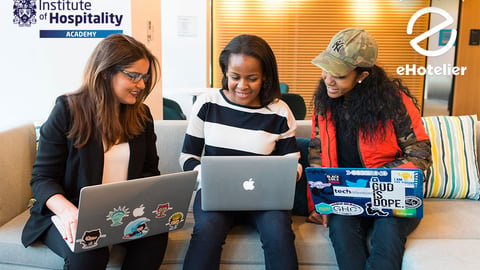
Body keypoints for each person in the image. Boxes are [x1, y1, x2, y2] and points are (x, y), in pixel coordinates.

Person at [21, 34, 168, 270]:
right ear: (105, 72)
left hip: (122, 213)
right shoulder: (67, 110)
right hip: (69, 213)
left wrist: (152, 207)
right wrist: (69, 212)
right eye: (133, 76)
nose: (141, 85)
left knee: (155, 238)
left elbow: (149, 172)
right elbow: (42, 179)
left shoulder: (142, 116)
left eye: (145, 77)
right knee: (91, 249)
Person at [306, 28, 432, 270]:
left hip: (393, 194)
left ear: (362, 75)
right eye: (326, 69)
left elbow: (420, 153)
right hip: (344, 197)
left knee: (387, 235)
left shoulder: (394, 103)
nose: (328, 80)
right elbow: (317, 152)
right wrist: (319, 203)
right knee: (341, 232)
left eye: (339, 75)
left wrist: (375, 180)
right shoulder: (324, 103)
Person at [179, 34, 301, 270]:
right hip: (216, 196)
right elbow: (187, 157)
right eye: (235, 77)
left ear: (265, 76)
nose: (242, 86)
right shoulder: (208, 103)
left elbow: (292, 161)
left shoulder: (279, 111)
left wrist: (290, 174)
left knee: (279, 232)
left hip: (266, 200)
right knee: (207, 230)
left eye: (252, 78)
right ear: (225, 72)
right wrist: (207, 177)